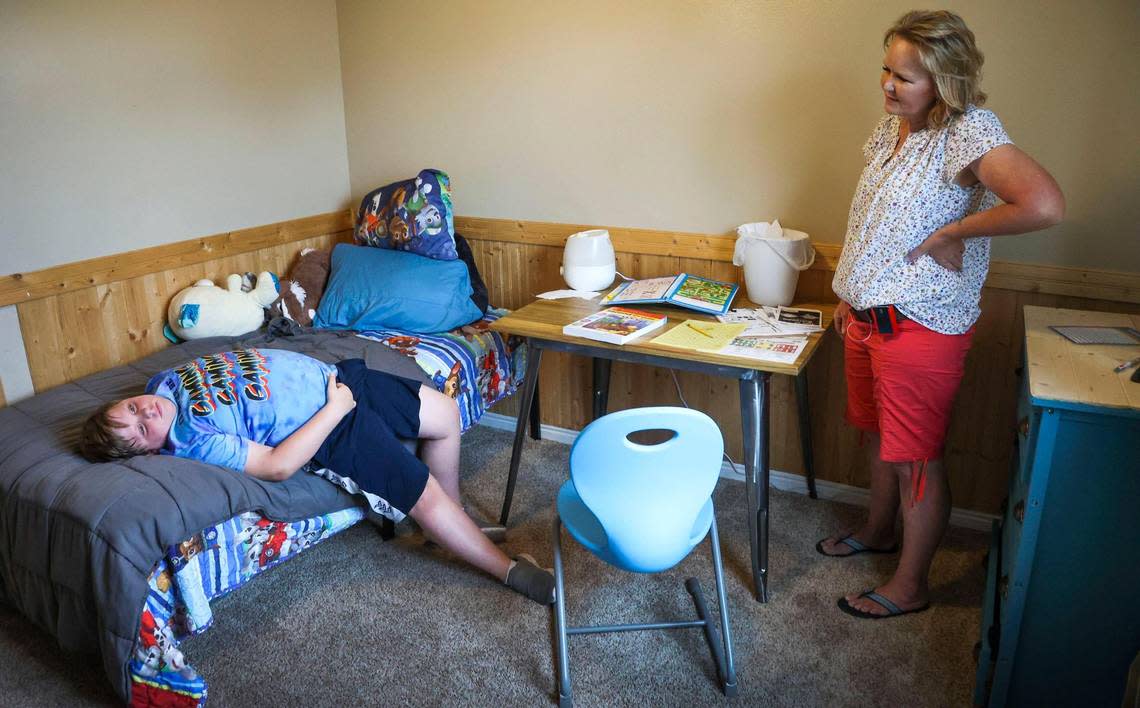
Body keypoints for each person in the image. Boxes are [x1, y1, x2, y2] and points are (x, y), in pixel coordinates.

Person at [820, 10, 1064, 619]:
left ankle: (910, 585)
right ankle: (878, 531)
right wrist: (846, 292)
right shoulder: (890, 129)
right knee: (880, 440)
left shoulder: (969, 131)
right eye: (886, 69)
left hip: (920, 325)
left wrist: (957, 230)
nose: (887, 85)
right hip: (865, 316)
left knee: (916, 459)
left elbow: (1044, 204)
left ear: (945, 80)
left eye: (904, 77)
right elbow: (871, 225)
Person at [79, 347, 555, 606]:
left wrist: (341, 389)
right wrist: (336, 408)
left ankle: (452, 527)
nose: (145, 410)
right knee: (422, 493)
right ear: (152, 450)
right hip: (331, 424)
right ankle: (509, 571)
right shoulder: (191, 437)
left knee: (446, 413)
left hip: (341, 376)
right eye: (142, 428)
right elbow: (277, 465)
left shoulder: (159, 387)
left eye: (130, 409)